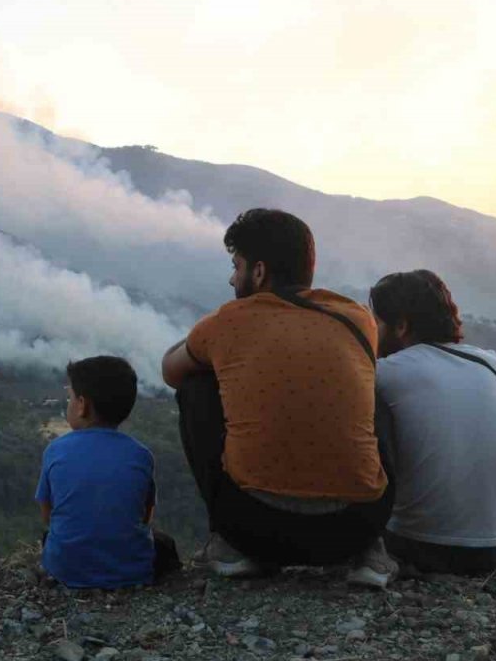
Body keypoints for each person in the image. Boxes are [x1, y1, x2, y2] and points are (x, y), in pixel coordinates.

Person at [161, 208, 396, 587]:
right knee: (374, 395)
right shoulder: (358, 318)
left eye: (236, 266)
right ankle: (372, 553)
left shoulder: (228, 320)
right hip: (356, 526)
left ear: (258, 272)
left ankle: (229, 546)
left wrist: (206, 341)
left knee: (195, 388)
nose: (231, 278)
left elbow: (170, 370)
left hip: (254, 529)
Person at [370, 270, 496, 574]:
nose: (372, 331)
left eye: (377, 323)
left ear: (400, 326)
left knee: (357, 402)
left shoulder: (388, 372)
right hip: (491, 549)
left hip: (419, 546)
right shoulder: (492, 362)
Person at [35, 356, 181, 588]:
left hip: (66, 570)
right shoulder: (140, 455)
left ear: (82, 405)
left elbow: (47, 515)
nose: (69, 403)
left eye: (70, 397)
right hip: (132, 574)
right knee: (165, 544)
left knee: (50, 537)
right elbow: (145, 516)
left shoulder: (56, 450)